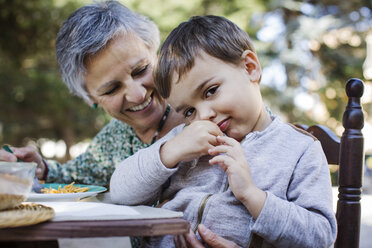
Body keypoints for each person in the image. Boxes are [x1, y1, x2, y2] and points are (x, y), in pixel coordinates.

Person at [110, 15, 337, 247]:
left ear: (250, 68)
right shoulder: (183, 142)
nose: (203, 116)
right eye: (188, 111)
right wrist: (170, 152)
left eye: (211, 91)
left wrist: (251, 195)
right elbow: (120, 192)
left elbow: (320, 236)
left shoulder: (300, 149)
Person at [0, 1, 183, 188]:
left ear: (156, 55)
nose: (138, 95)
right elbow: (74, 177)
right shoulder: (113, 139)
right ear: (90, 99)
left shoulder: (203, 107)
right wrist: (41, 168)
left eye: (141, 70)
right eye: (112, 89)